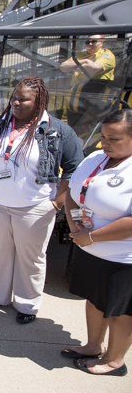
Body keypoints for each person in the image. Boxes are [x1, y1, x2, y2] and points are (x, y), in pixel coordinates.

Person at [0, 77, 83, 323]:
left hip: (34, 207)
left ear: (39, 101)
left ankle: (26, 304)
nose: (15, 102)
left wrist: (57, 202)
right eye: (14, 97)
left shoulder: (57, 130)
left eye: (23, 99)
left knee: (31, 258)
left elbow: (73, 168)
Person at [63, 110, 132, 377]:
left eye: (114, 139)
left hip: (122, 258)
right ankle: (93, 346)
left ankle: (115, 361)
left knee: (121, 311)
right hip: (90, 249)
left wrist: (90, 237)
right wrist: (74, 225)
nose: (105, 143)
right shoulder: (96, 158)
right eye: (103, 137)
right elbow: (73, 192)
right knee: (95, 301)